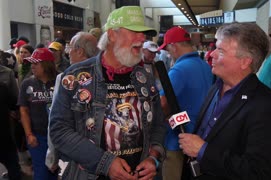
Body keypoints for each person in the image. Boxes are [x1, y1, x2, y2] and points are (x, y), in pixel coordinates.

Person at [49, 6, 166, 180]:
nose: (142, 38)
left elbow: (157, 126)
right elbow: (59, 130)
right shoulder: (75, 77)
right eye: (134, 31)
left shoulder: (145, 78)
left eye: (144, 34)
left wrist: (153, 158)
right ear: (111, 34)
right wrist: (105, 162)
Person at [178, 22, 271, 179]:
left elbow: (258, 172)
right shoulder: (215, 87)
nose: (211, 54)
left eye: (220, 51)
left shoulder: (268, 106)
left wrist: (203, 151)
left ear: (245, 61)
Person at [157, 26, 213, 180]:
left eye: (168, 49)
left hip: (178, 139)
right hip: (201, 135)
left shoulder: (179, 70)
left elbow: (162, 104)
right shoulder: (205, 66)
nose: (168, 53)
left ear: (173, 46)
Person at [45, 31, 99, 172]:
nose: (68, 52)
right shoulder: (103, 77)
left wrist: (52, 156)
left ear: (80, 51)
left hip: (72, 154)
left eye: (71, 48)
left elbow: (55, 122)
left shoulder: (66, 78)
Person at [18, 48, 58, 180]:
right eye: (31, 63)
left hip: (60, 136)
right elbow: (23, 110)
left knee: (60, 172)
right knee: (41, 174)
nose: (32, 66)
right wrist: (29, 134)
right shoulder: (27, 83)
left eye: (36, 63)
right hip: (38, 137)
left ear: (46, 65)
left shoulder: (61, 80)